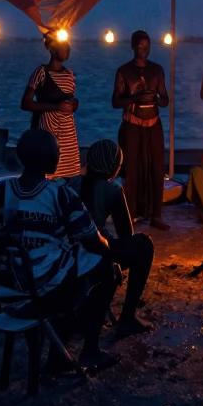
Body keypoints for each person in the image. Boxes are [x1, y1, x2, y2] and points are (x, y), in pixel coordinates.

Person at [0, 129, 119, 372]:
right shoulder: (62, 194)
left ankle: (62, 346)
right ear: (47, 157)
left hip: (6, 290)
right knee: (105, 269)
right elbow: (93, 241)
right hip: (44, 290)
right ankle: (88, 350)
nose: (61, 152)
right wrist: (108, 250)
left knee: (68, 262)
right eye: (57, 149)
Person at [74, 138, 154, 339]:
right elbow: (127, 234)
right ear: (114, 168)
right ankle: (126, 319)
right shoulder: (113, 190)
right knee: (144, 246)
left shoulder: (70, 182)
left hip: (66, 253)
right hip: (89, 254)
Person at [112, 30, 169, 231]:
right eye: (140, 46)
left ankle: (157, 215)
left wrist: (155, 99)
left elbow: (165, 100)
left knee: (157, 169)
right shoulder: (123, 71)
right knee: (132, 170)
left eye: (146, 46)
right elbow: (116, 101)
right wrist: (136, 98)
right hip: (132, 125)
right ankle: (131, 214)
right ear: (133, 46)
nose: (143, 50)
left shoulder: (157, 70)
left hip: (154, 125)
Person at [21, 31, 80, 178]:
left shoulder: (70, 74)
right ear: (52, 49)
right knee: (47, 174)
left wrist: (74, 104)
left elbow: (69, 100)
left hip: (68, 135)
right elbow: (26, 104)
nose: (68, 48)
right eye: (64, 46)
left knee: (69, 176)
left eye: (68, 46)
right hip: (47, 132)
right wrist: (56, 107)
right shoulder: (41, 73)